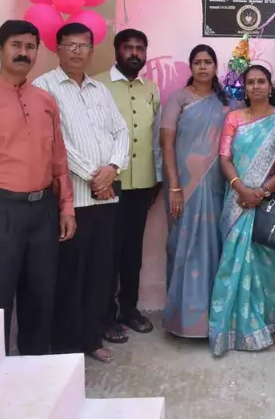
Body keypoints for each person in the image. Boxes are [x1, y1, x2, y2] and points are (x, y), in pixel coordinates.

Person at [0, 19, 75, 356]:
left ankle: (34, 372)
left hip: (43, 211)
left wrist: (65, 207)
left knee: (40, 296)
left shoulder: (45, 101)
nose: (24, 53)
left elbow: (58, 160)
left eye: (30, 47)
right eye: (16, 46)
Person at [33, 22, 130, 364]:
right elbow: (54, 140)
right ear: (57, 48)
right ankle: (65, 347)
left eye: (83, 46)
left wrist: (113, 168)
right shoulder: (43, 88)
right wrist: (94, 175)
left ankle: (90, 339)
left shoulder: (100, 89)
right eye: (70, 45)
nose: (77, 51)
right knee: (69, 275)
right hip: (71, 201)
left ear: (92, 50)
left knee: (100, 274)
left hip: (107, 198)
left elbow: (122, 132)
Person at [209, 65, 275, 355]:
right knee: (232, 264)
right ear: (244, 87)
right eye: (250, 82)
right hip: (237, 200)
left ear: (270, 86)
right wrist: (242, 188)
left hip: (269, 203)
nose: (255, 87)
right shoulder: (234, 119)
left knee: (268, 267)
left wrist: (263, 192)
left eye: (261, 81)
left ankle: (266, 324)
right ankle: (231, 327)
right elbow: (224, 158)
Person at [94, 29, 160, 343]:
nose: (134, 53)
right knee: (107, 252)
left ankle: (128, 310)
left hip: (143, 183)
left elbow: (157, 136)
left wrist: (157, 179)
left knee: (132, 253)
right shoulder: (97, 85)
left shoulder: (151, 89)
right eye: (128, 48)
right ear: (116, 51)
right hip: (109, 185)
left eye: (139, 48)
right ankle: (104, 315)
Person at [159, 44, 228, 338]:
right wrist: (174, 187)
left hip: (215, 186)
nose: (202, 67)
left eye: (208, 62)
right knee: (182, 247)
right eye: (197, 62)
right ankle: (181, 319)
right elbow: (167, 145)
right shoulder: (178, 99)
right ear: (191, 67)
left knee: (213, 247)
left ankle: (211, 318)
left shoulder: (225, 104)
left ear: (215, 67)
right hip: (182, 186)